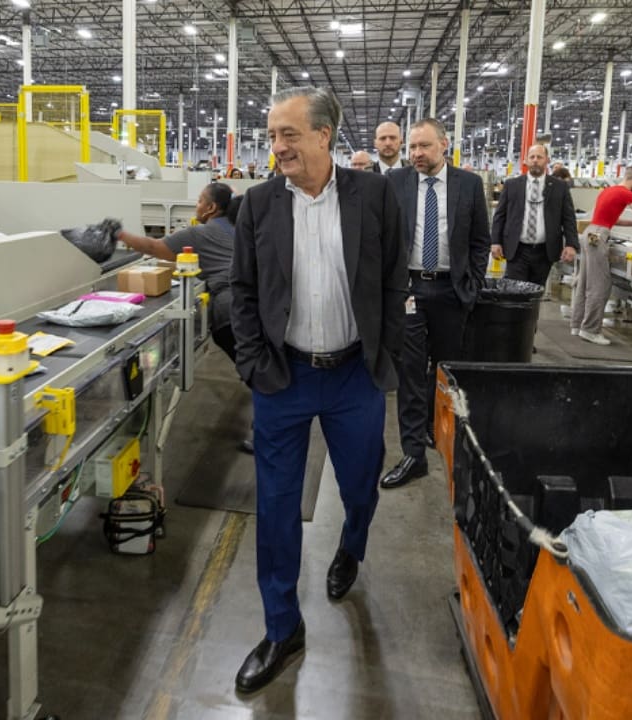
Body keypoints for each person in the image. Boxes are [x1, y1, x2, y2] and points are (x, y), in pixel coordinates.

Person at [229, 85, 406, 693]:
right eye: (272, 135)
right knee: (277, 506)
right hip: (284, 377)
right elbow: (242, 291)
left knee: (360, 484)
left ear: (324, 136)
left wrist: (385, 353)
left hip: (355, 373)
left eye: (289, 134)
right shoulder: (258, 205)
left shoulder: (373, 195)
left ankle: (351, 544)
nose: (277, 147)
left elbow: (393, 277)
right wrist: (254, 364)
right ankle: (282, 627)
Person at [380, 118, 491, 490]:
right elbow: (383, 236)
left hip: (451, 291)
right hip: (410, 290)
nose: (416, 153)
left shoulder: (468, 184)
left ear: (444, 144)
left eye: (424, 146)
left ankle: (434, 427)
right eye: (412, 147)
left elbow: (480, 241)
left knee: (444, 370)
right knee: (410, 373)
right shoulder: (395, 182)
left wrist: (471, 286)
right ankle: (413, 453)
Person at [117, 183, 241, 362]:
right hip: (256, 301)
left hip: (231, 310)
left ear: (211, 208)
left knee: (253, 367)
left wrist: (119, 235)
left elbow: (153, 247)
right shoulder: (238, 226)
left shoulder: (199, 233)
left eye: (200, 201)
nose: (196, 206)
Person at [569, 163, 632, 345]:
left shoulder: (608, 190)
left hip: (590, 233)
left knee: (585, 281)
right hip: (598, 237)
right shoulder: (628, 194)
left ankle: (577, 325)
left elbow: (613, 220)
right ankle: (590, 330)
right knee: (601, 285)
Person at [490, 144, 578, 287]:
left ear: (547, 160)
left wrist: (571, 244)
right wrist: (495, 241)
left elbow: (568, 218)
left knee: (536, 292)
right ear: (526, 160)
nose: (535, 160)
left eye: (539, 157)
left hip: (544, 251)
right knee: (514, 292)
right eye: (532, 157)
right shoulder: (512, 185)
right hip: (517, 250)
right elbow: (500, 215)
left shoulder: (560, 187)